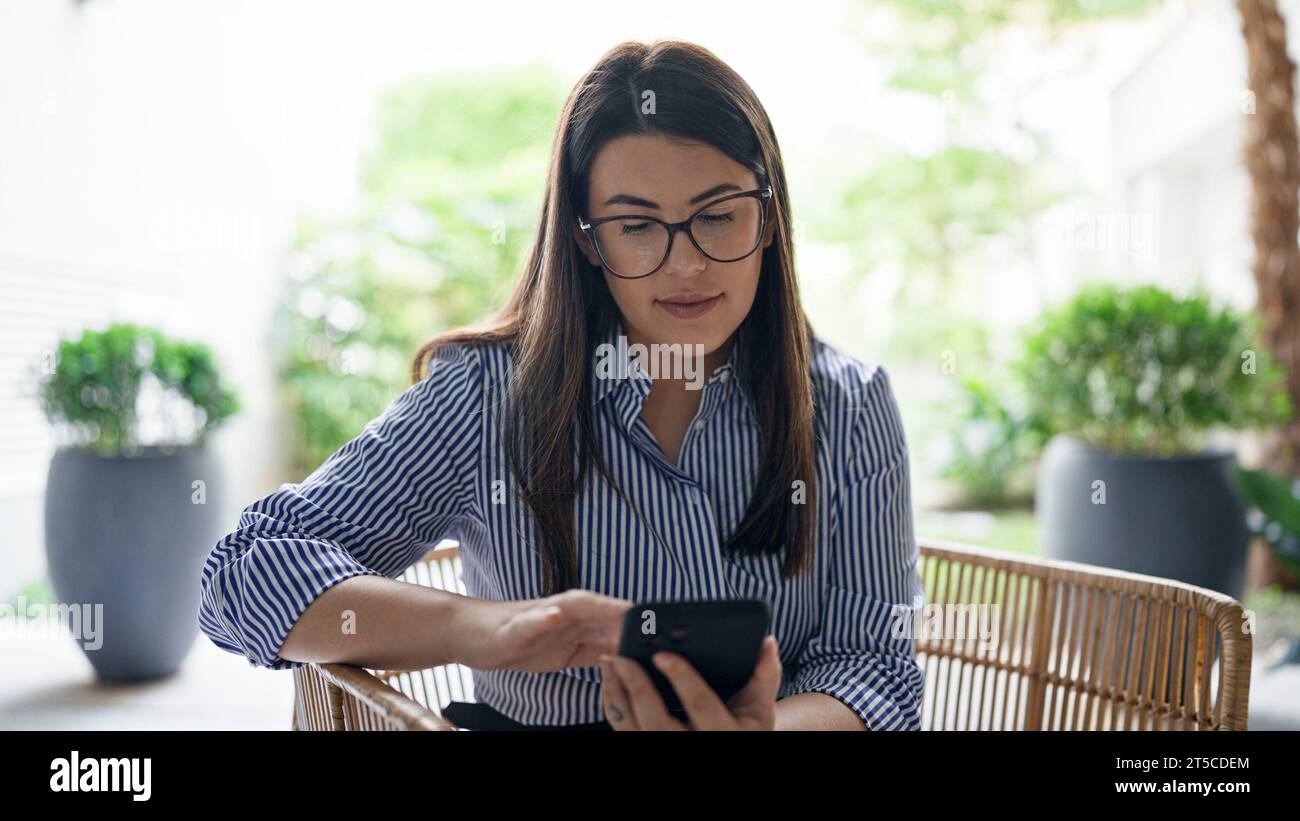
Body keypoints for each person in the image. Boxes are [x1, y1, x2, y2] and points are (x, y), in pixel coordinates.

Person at [198, 38, 925, 731]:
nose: (686, 265)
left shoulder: (848, 404)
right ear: (587, 238)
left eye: (717, 216)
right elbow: (240, 575)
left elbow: (877, 668)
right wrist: (478, 627)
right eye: (638, 225)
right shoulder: (487, 396)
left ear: (768, 218)